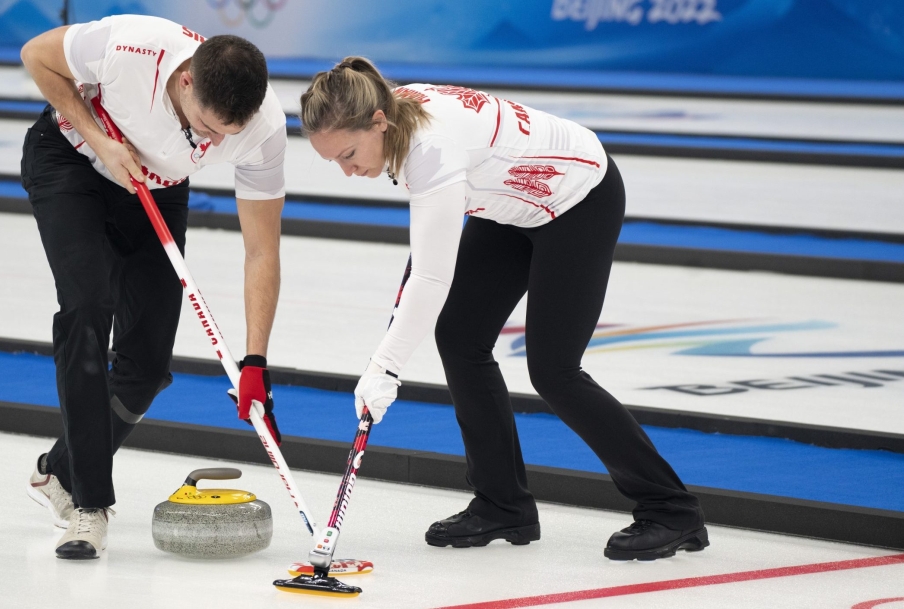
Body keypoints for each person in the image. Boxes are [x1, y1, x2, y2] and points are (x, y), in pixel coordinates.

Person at [299, 57, 708, 561]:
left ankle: (671, 510)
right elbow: (426, 259)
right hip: (510, 203)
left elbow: (431, 275)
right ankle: (502, 504)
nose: (346, 171)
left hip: (578, 199)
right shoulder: (393, 116)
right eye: (332, 161)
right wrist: (386, 353)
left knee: (554, 370)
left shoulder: (432, 147)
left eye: (349, 154)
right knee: (459, 335)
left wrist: (385, 366)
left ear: (378, 122)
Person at [19, 15, 286, 560]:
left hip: (155, 190)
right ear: (186, 81)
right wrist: (100, 141)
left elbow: (262, 250)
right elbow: (35, 56)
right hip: (71, 160)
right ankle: (89, 506)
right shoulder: (130, 47)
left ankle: (59, 471)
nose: (212, 142)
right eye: (206, 128)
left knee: (145, 368)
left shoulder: (264, 130)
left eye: (225, 137)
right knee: (89, 304)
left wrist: (254, 359)